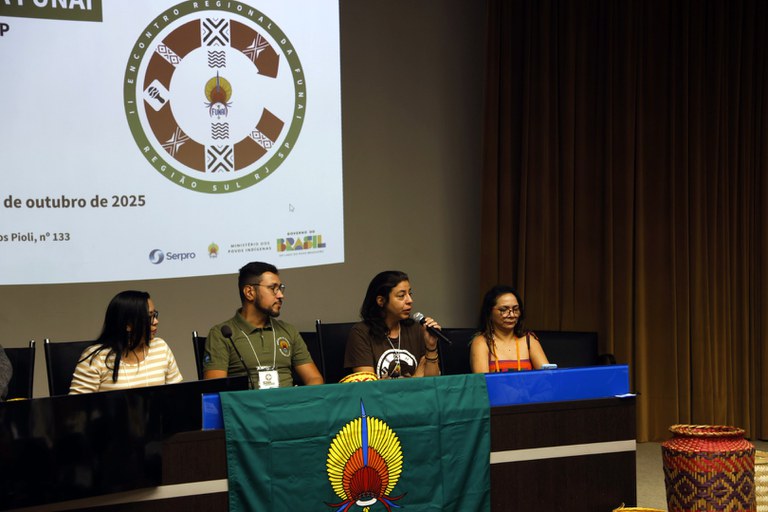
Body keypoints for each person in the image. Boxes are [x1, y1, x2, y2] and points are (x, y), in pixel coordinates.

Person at [203, 261, 323, 389]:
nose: (281, 295)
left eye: (280, 289)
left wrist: (301, 400)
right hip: (247, 407)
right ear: (249, 292)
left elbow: (314, 378)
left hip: (289, 406)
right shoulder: (222, 334)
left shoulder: (288, 331)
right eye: (273, 289)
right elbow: (214, 389)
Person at [69, 291, 183, 393]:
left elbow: (177, 396)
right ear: (128, 325)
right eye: (149, 317)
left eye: (155, 315)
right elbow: (76, 409)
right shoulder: (97, 358)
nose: (156, 321)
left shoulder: (160, 347)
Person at [344, 270, 442, 379]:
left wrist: (431, 347)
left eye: (410, 294)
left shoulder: (417, 329)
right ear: (381, 301)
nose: (410, 300)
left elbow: (433, 383)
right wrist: (415, 379)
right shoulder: (361, 333)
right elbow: (368, 388)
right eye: (401, 295)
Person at [470, 285, 549, 373]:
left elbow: (547, 377)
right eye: (504, 310)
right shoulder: (481, 342)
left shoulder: (529, 340)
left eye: (515, 309)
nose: (512, 315)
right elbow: (482, 383)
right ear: (489, 312)